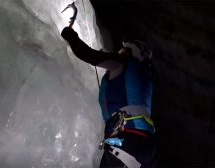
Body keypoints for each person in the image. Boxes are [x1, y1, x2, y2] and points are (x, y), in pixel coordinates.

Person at [61, 27, 157, 168]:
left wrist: (71, 36)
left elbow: (89, 55)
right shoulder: (144, 77)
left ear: (131, 52)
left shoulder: (123, 63)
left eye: (123, 49)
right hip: (147, 146)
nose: (119, 51)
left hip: (129, 141)